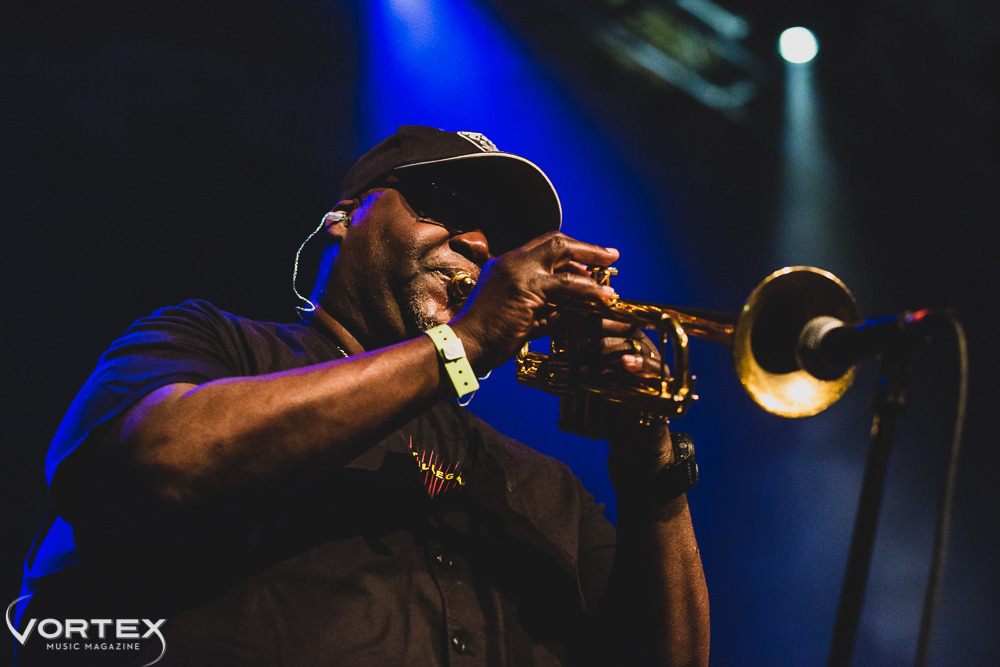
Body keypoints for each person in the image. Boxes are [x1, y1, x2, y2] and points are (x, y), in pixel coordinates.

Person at [13, 126, 709, 665]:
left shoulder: (541, 487)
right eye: (448, 207)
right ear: (344, 217)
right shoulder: (213, 343)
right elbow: (160, 462)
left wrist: (650, 464)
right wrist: (461, 346)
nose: (476, 243)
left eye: (502, 239)